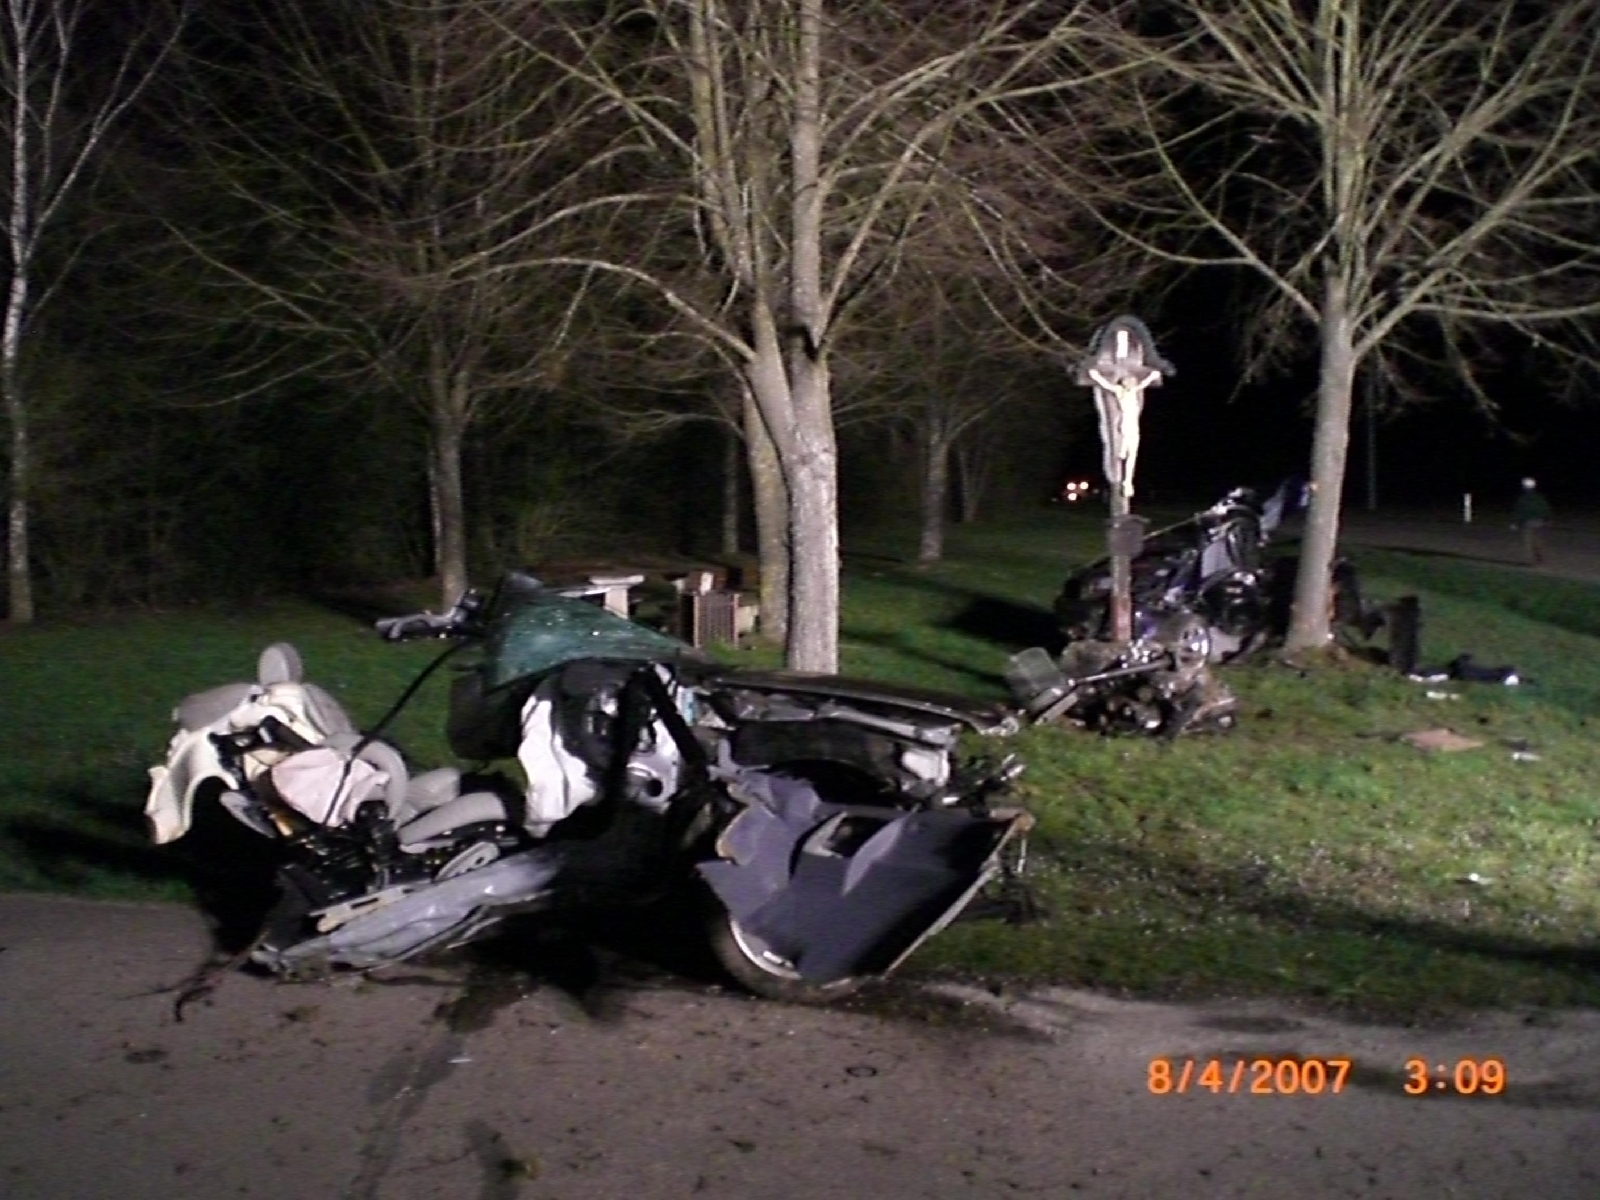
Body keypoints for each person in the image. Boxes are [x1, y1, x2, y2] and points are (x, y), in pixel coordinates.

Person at [1511, 477, 1551, 566]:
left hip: (1528, 522)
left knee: (1527, 542)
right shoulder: (1539, 497)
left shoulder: (1523, 498)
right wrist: (1547, 519)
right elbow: (1546, 508)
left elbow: (1519, 511)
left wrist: (1515, 523)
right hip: (1539, 521)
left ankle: (1530, 561)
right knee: (1538, 540)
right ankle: (1540, 558)